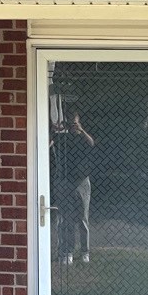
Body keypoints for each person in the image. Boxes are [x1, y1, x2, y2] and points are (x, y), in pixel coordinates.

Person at [53, 107, 95, 263]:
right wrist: (58, 129)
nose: (73, 127)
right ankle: (68, 251)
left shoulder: (83, 138)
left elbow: (92, 144)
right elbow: (49, 144)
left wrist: (81, 130)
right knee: (68, 218)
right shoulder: (63, 139)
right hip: (67, 180)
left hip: (82, 181)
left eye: (75, 123)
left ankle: (85, 251)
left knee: (83, 218)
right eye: (71, 124)